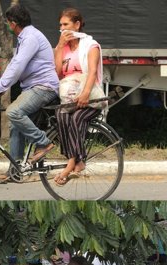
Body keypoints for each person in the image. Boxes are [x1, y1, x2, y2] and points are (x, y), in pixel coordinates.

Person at [0, 3, 60, 183]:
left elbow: (16, 68)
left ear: (13, 23)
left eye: (8, 23)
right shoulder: (25, 38)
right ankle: (15, 171)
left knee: (13, 112)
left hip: (44, 87)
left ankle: (44, 142)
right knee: (15, 125)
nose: (8, 27)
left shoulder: (31, 37)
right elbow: (15, 68)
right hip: (33, 88)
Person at [51, 8, 105, 186]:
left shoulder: (91, 46)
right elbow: (58, 73)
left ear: (77, 25)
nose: (62, 28)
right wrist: (59, 47)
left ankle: (72, 164)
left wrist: (85, 94)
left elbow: (91, 73)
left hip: (89, 99)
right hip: (70, 99)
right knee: (60, 115)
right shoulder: (63, 48)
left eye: (66, 24)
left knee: (76, 119)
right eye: (60, 25)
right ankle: (76, 161)